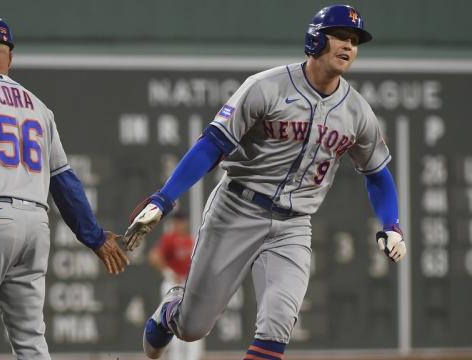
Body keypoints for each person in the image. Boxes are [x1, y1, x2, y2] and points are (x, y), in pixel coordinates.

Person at [123, 5, 407, 360]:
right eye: (340, 36)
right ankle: (170, 312)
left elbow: (377, 174)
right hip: (237, 209)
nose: (348, 46)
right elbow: (212, 144)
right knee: (192, 328)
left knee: (277, 326)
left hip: (293, 225)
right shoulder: (265, 87)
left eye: (354, 40)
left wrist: (391, 225)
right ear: (317, 38)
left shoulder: (358, 112)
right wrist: (164, 199)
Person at [0, 16, 129, 360]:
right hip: (35, 227)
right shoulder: (40, 109)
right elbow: (64, 182)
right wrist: (94, 237)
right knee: (30, 339)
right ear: (9, 58)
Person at [148, 212, 204, 360]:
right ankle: (176, 357)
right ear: (174, 223)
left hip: (187, 285)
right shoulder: (169, 238)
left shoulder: (189, 240)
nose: (180, 224)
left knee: (191, 322)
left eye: (182, 221)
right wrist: (168, 272)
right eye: (177, 221)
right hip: (172, 285)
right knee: (173, 323)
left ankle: (191, 358)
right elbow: (154, 256)